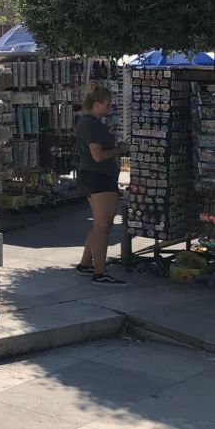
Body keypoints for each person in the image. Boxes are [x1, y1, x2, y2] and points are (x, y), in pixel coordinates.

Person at [76, 86, 129, 286]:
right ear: (96, 104)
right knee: (103, 226)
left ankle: (85, 263)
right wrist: (120, 149)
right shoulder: (93, 125)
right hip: (99, 177)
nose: (109, 107)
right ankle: (100, 271)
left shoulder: (88, 122)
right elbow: (98, 155)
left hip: (93, 176)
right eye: (106, 104)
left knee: (99, 224)